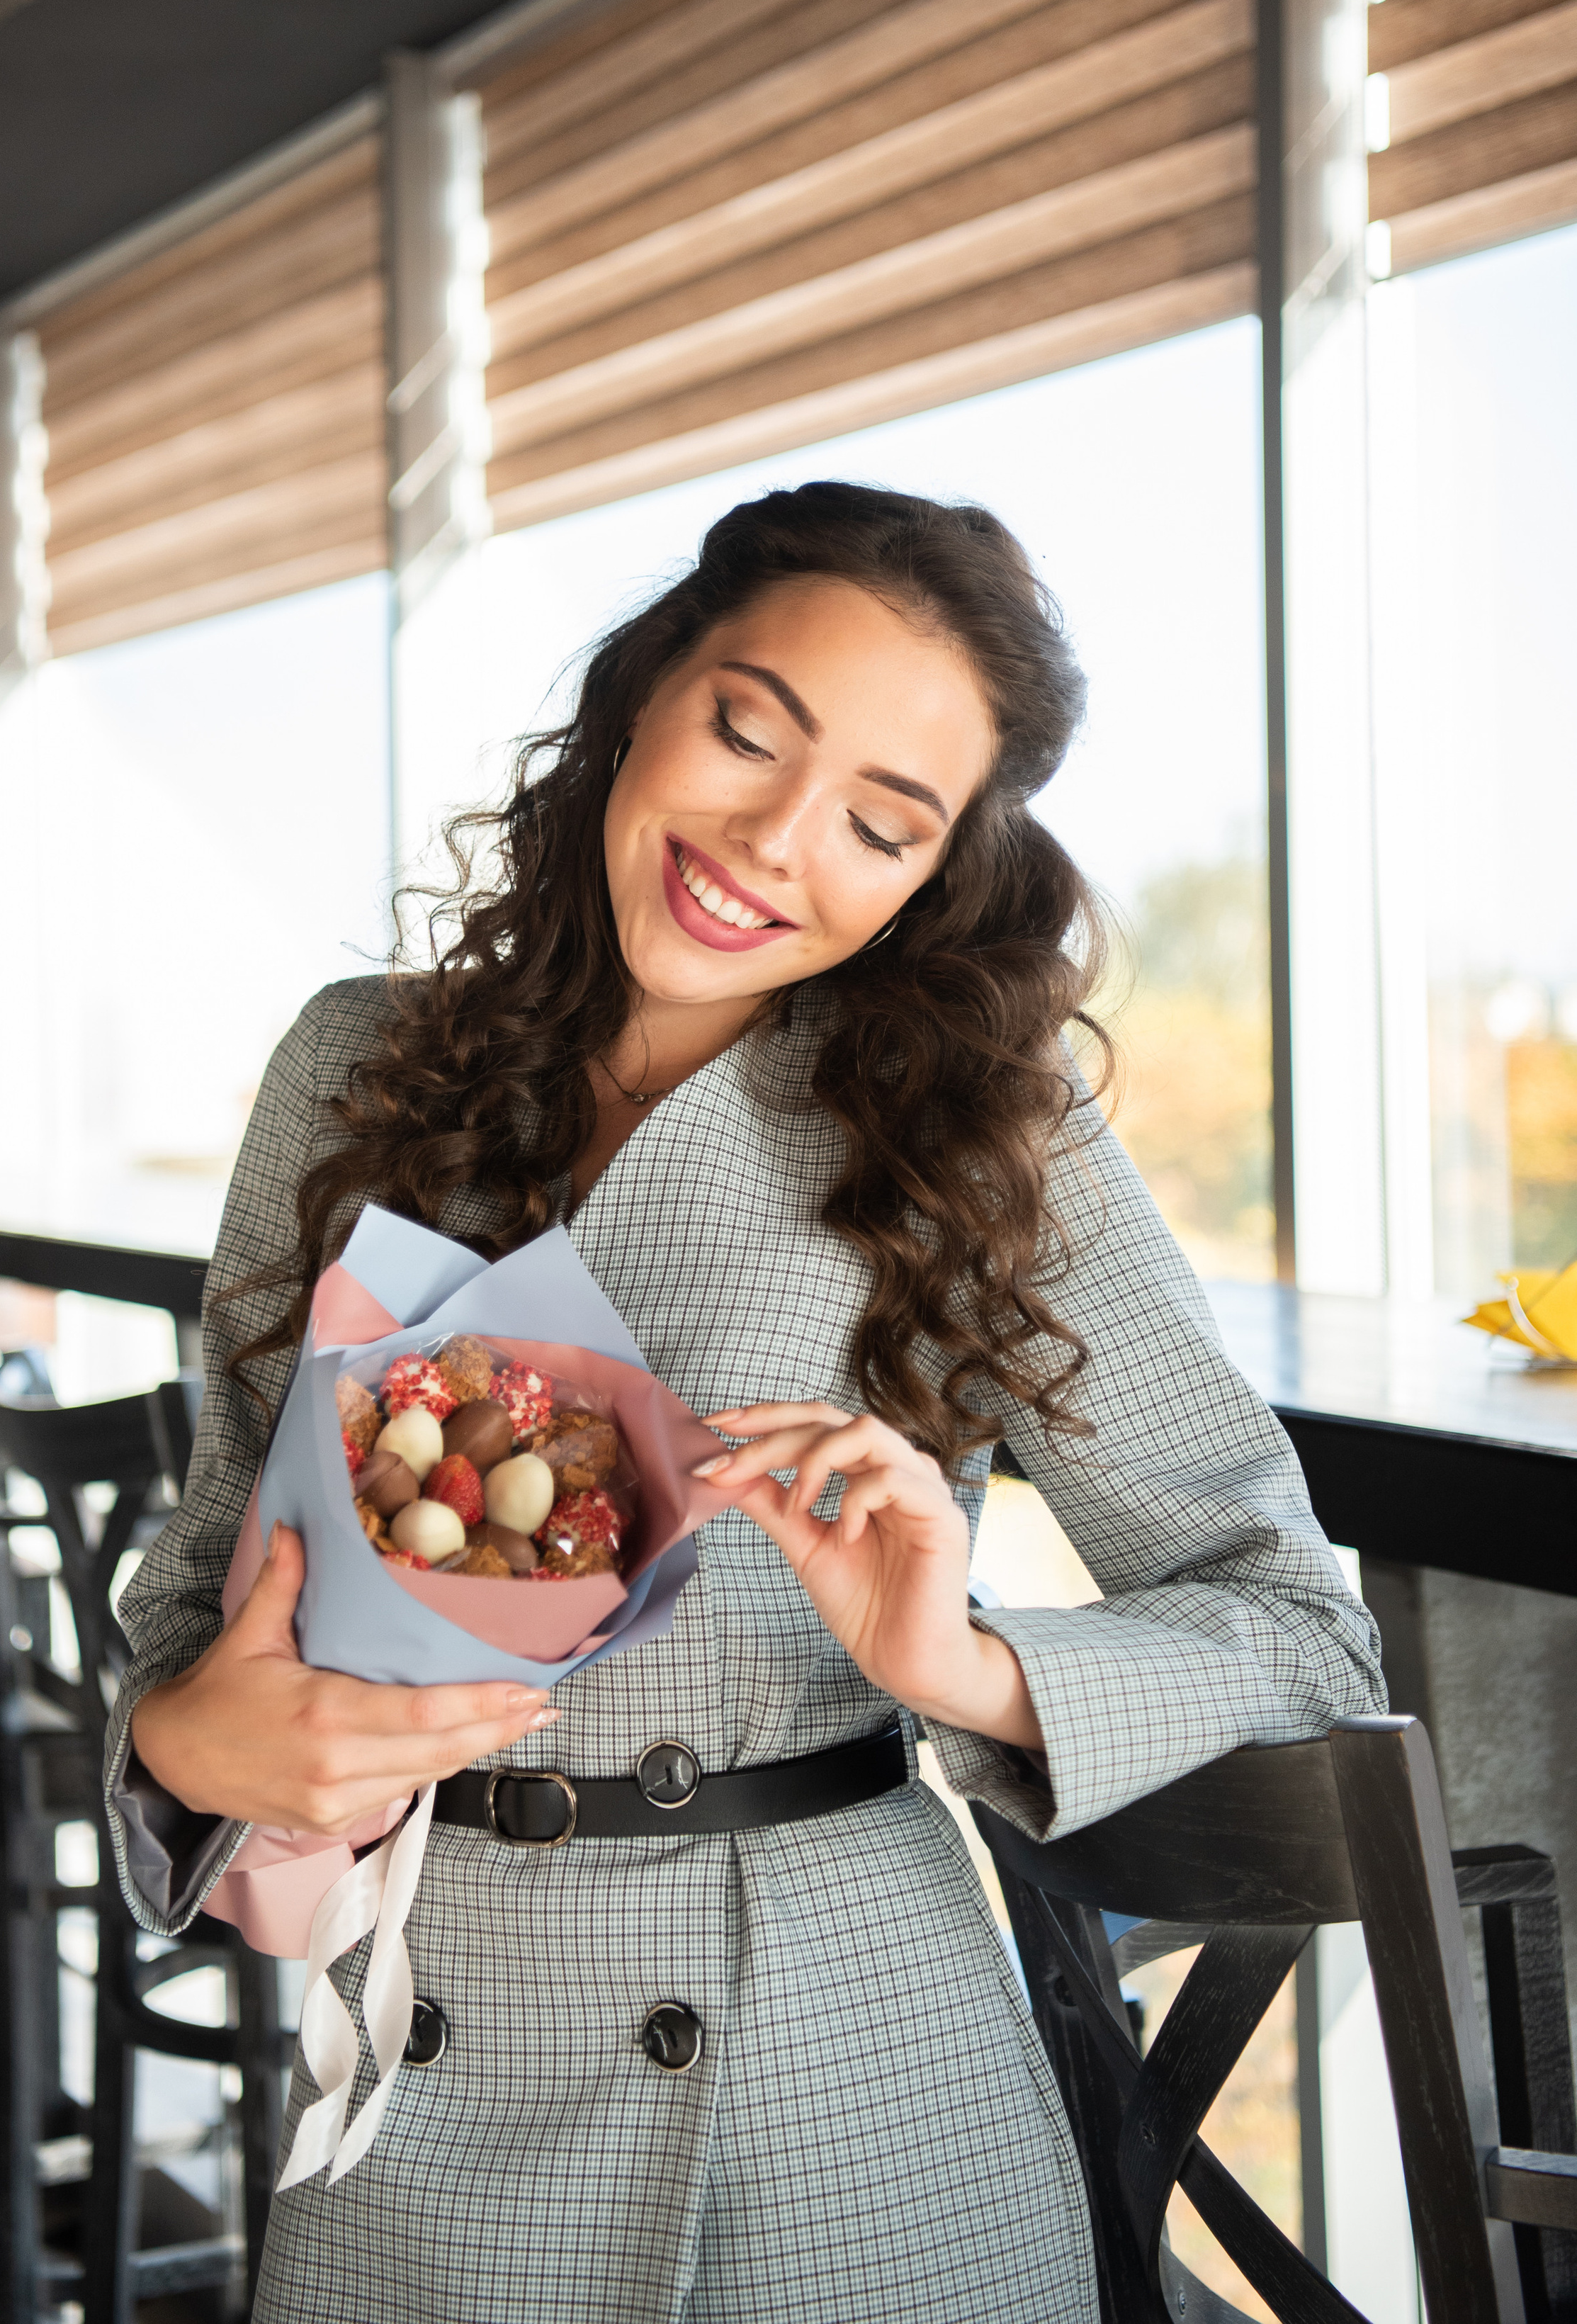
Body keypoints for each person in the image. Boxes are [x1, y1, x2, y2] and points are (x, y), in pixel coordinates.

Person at [108, 482, 1384, 2323]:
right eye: (746, 730)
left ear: (935, 871)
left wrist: (961, 1658)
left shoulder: (978, 1127)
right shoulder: (355, 1067)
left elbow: (1304, 1631)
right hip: (429, 2096)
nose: (775, 843)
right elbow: (196, 1581)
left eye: (880, 820)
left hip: (845, 2078)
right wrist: (189, 1751)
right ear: (649, 687)